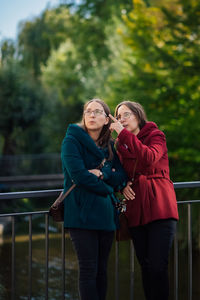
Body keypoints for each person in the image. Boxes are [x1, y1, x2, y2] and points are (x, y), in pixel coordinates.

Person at [109, 100, 179, 300]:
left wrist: (123, 133)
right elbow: (118, 174)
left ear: (138, 115)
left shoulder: (156, 135)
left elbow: (148, 157)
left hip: (160, 206)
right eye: (119, 116)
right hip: (136, 211)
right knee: (146, 267)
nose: (122, 119)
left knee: (158, 267)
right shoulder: (120, 146)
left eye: (127, 114)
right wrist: (122, 186)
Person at [61, 98, 127, 300]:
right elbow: (79, 176)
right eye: (88, 111)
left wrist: (103, 174)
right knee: (88, 270)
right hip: (81, 214)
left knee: (101, 271)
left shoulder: (111, 146)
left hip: (106, 215)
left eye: (97, 112)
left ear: (107, 119)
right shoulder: (71, 141)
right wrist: (108, 186)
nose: (91, 115)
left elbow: (122, 177)